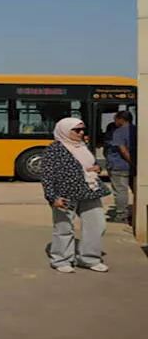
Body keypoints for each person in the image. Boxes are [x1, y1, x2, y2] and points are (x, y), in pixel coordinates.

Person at [41, 117, 110, 273]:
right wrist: (52, 197)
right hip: (65, 195)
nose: (81, 133)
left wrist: (97, 169)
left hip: (89, 192)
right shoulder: (54, 149)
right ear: (64, 131)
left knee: (97, 225)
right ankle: (61, 260)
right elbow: (47, 176)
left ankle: (89, 259)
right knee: (64, 228)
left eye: (82, 129)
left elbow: (89, 165)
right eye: (77, 130)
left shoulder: (83, 146)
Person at [105, 110, 136, 223]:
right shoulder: (136, 129)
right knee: (136, 190)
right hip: (132, 167)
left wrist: (132, 162)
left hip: (119, 165)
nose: (114, 122)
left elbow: (123, 150)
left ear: (121, 120)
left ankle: (121, 215)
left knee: (120, 191)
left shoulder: (118, 132)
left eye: (115, 119)